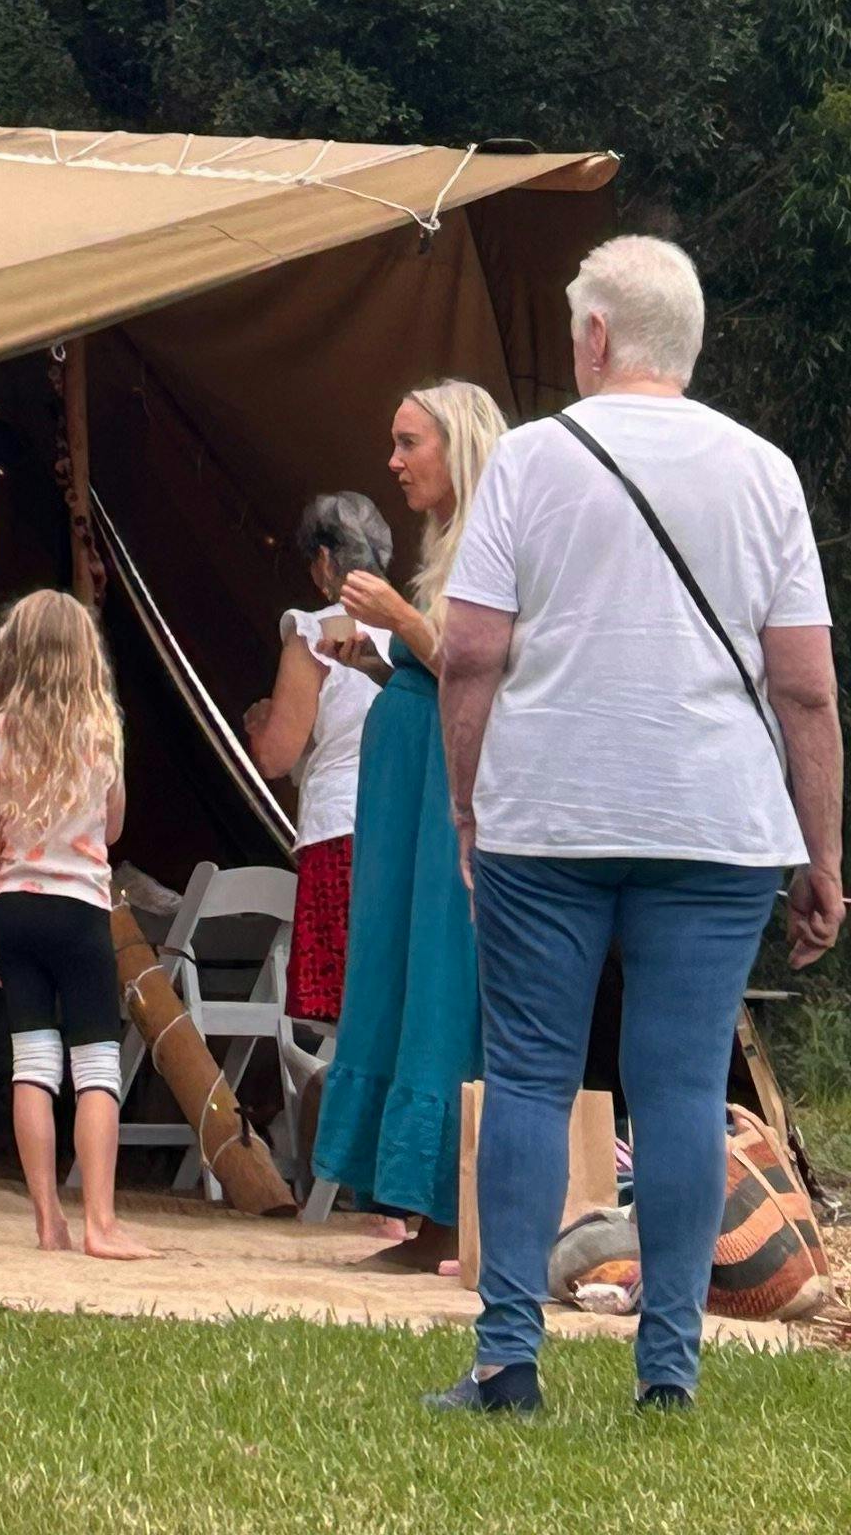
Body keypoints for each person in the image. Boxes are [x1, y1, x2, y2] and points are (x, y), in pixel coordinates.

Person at [432, 235, 843, 1421]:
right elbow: (805, 686)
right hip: (713, 826)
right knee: (675, 1093)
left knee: (525, 1079)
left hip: (548, 818)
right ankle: (668, 1371)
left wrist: (470, 801)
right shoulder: (764, 472)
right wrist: (824, 855)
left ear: (597, 337)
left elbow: (469, 651)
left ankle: (509, 1359)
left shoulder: (529, 461)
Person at [309, 380, 505, 1264]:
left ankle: (449, 1217)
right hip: (408, 793)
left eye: (408, 443)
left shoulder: (496, 539)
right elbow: (434, 678)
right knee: (397, 969)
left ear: (456, 445)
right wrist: (378, 658)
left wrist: (396, 619)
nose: (393, 462)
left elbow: (481, 667)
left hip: (447, 800)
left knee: (440, 974)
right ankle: (420, 1213)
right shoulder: (442, 545)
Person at [0, 590, 135, 1260]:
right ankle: (101, 1222)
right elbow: (115, 825)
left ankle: (47, 1222)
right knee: (96, 1065)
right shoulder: (103, 728)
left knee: (32, 1064)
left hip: (16, 906)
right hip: (81, 908)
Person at [242, 490, 395, 1036]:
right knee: (393, 1002)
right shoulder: (412, 629)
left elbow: (278, 755)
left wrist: (260, 724)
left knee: (342, 1015)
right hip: (405, 832)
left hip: (340, 832)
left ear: (326, 561)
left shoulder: (313, 631)